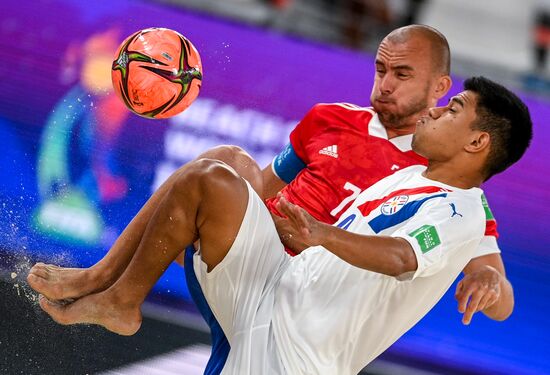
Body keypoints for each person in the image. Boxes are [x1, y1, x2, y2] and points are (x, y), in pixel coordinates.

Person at [27, 25, 516, 373]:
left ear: (439, 88)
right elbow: (257, 190)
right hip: (258, 260)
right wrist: (195, 228)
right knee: (224, 161)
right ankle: (104, 280)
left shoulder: (445, 184)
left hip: (302, 289)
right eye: (380, 69)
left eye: (401, 75)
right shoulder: (329, 118)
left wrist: (491, 281)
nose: (384, 85)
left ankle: (117, 291)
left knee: (212, 174)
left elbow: (494, 291)